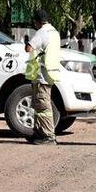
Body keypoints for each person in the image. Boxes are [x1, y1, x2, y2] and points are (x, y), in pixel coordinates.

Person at [24, 9, 61, 145]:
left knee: (43, 106)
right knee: (40, 106)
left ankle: (48, 136)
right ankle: (38, 133)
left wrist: (27, 42)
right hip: (50, 73)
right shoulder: (54, 32)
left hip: (42, 74)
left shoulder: (42, 32)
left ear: (37, 21)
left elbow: (29, 48)